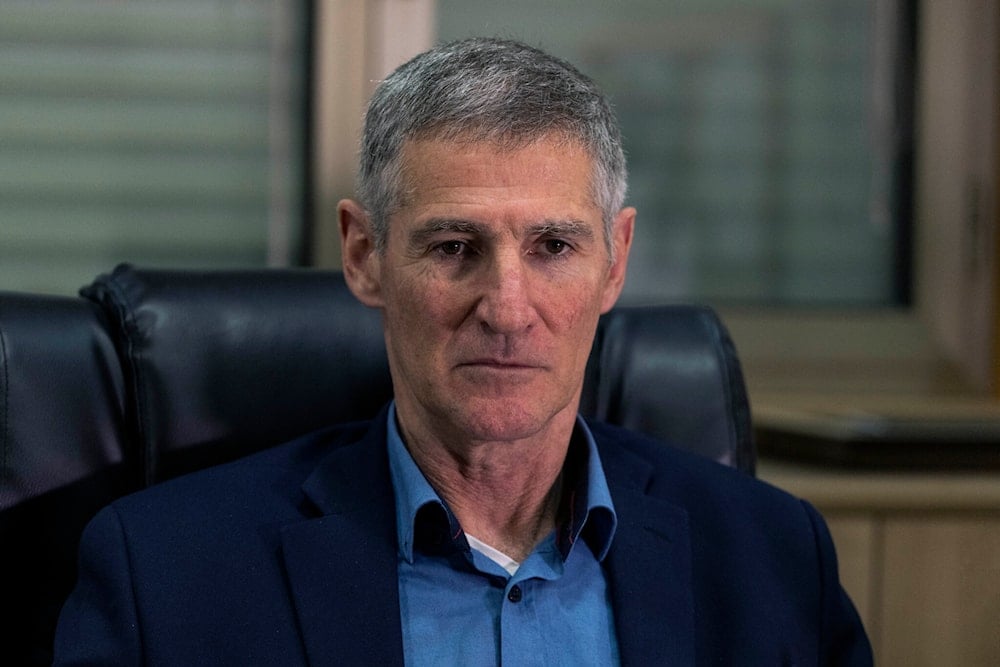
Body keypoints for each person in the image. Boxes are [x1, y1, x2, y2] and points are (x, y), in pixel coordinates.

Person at [54, 37, 872, 665]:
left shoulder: (774, 555)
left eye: (553, 245)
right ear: (364, 254)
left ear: (615, 261)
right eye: (453, 246)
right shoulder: (166, 571)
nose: (507, 309)